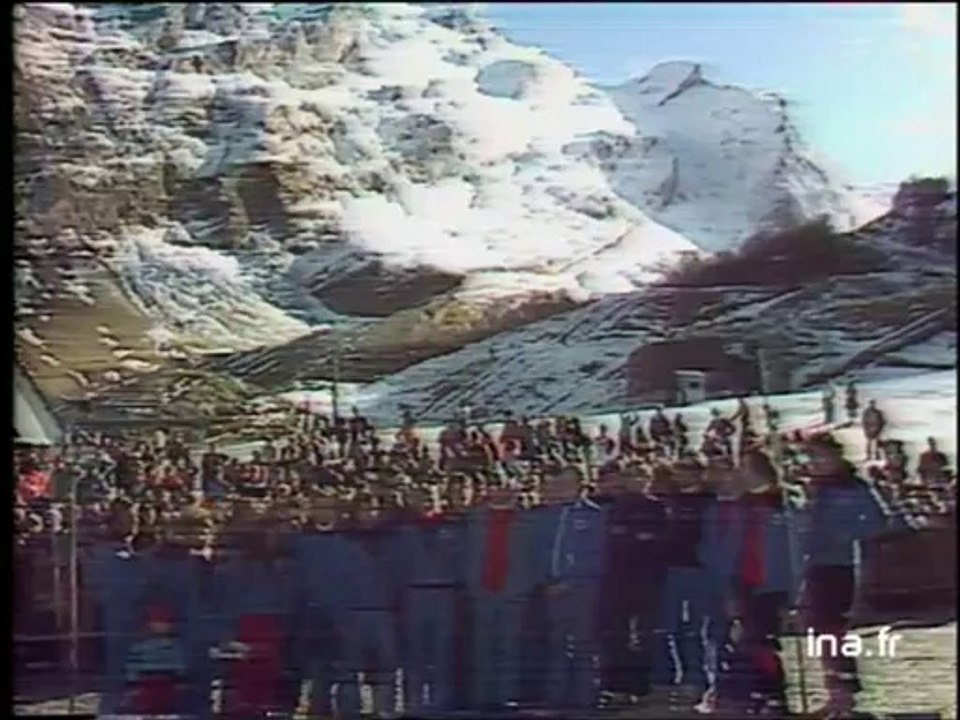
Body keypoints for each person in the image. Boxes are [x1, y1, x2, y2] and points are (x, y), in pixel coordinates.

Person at [796, 432, 912, 718]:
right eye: (810, 458)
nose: (814, 463)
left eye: (819, 457)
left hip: (839, 567)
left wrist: (842, 535)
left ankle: (844, 698)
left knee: (833, 631)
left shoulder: (852, 487)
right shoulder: (811, 488)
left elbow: (877, 523)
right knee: (819, 631)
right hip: (810, 565)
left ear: (835, 456)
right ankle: (833, 692)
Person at [464, 482, 538, 712]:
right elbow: (465, 554)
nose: (502, 492)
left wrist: (522, 588)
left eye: (507, 488)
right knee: (482, 646)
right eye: (496, 487)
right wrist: (472, 585)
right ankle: (481, 696)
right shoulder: (474, 519)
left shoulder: (528, 520)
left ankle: (506, 695)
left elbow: (534, 557)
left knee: (509, 646)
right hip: (482, 591)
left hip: (513, 592)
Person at [599, 467, 667, 706]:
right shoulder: (613, 507)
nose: (636, 481)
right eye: (631, 476)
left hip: (646, 580)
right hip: (614, 579)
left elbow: (658, 542)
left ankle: (641, 686)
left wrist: (632, 537)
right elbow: (609, 540)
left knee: (642, 636)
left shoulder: (657, 507)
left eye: (641, 477)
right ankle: (615, 687)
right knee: (616, 635)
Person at [543, 467, 607, 712]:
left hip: (582, 589)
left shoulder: (594, 515)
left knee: (583, 644)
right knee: (555, 644)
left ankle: (585, 697)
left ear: (581, 485)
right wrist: (546, 581)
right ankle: (555, 697)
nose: (563, 488)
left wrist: (570, 582)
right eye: (560, 483)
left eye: (568, 483)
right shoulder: (547, 515)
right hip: (549, 588)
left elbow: (597, 555)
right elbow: (537, 551)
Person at [399, 486, 466, 717]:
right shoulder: (402, 528)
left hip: (445, 594)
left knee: (442, 651)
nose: (426, 501)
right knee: (414, 651)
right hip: (414, 594)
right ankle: (413, 701)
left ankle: (441, 702)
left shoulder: (452, 525)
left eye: (431, 496)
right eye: (421, 496)